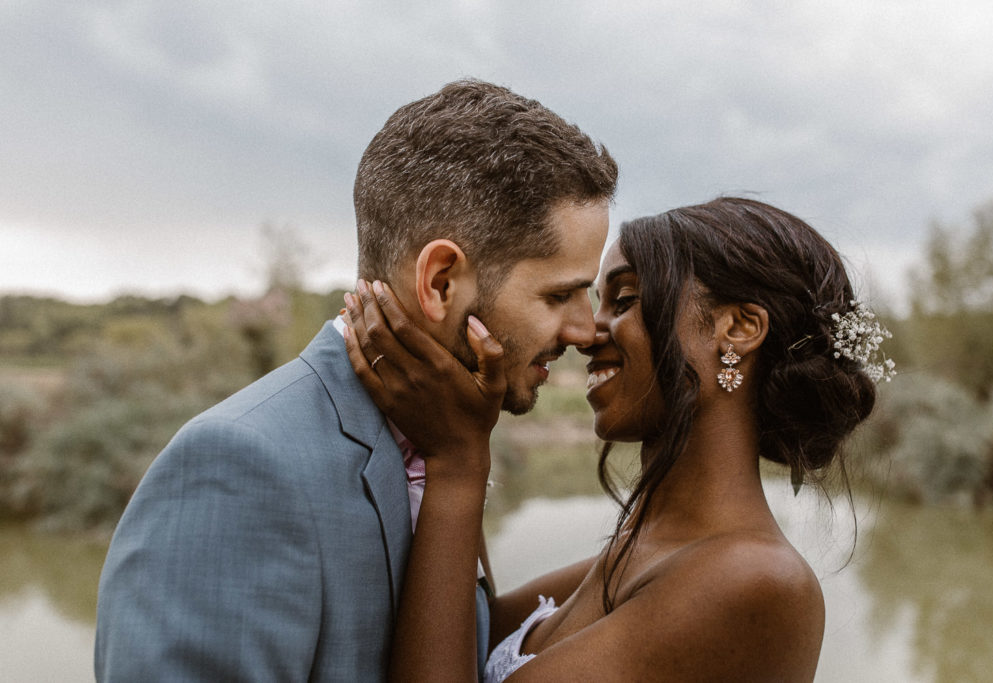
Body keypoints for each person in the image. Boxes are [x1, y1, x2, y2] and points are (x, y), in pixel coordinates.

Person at [94, 79, 617, 681]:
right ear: (441, 282)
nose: (584, 329)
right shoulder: (241, 467)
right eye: (560, 294)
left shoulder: (446, 433)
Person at [343, 197, 893, 681]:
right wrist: (461, 405)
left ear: (738, 328)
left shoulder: (756, 581)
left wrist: (458, 460)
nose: (585, 333)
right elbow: (458, 637)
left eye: (624, 299)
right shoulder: (643, 545)